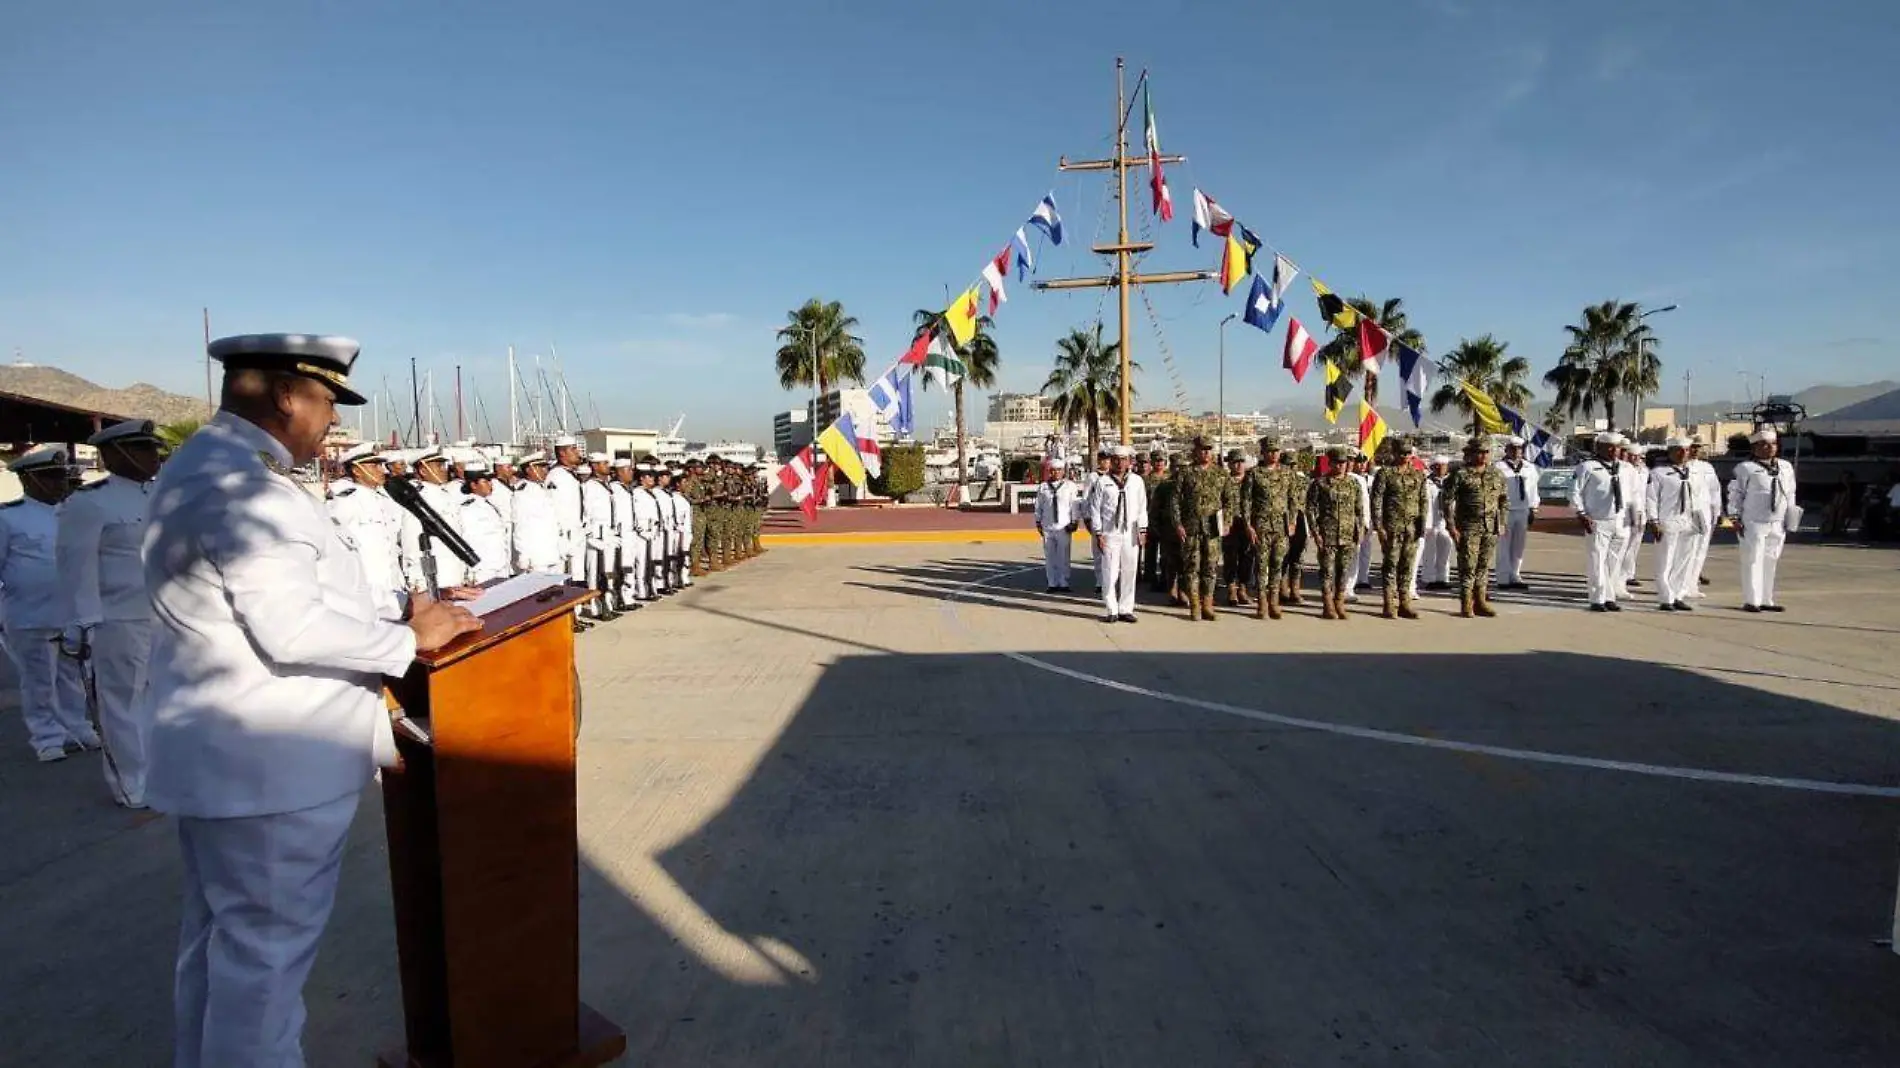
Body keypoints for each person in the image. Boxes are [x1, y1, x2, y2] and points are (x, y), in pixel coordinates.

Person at [145, 333, 481, 1067]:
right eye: (328, 402)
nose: (333, 420)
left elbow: (292, 598)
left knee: (221, 953)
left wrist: (401, 614)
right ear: (288, 395)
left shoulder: (206, 466)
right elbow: (290, 624)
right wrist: (407, 645)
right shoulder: (243, 487)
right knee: (264, 968)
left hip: (232, 760)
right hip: (274, 764)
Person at [57, 420, 166, 805]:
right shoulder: (89, 503)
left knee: (155, 701)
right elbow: (76, 566)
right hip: (116, 618)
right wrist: (82, 622)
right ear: (115, 454)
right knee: (121, 703)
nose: (154, 456)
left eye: (153, 448)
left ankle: (155, 772)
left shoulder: (157, 495)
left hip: (159, 615)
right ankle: (130, 784)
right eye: (143, 449)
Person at [3, 445, 100, 762]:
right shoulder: (9, 518)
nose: (60, 483)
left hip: (72, 613)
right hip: (31, 613)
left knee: (73, 678)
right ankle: (47, 737)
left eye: (62, 477)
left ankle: (78, 727)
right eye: (52, 477)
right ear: (30, 480)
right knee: (39, 680)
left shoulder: (74, 513)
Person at [326, 443, 404, 616]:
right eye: (374, 465)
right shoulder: (345, 501)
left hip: (394, 588)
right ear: (357, 470)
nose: (382, 470)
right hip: (367, 594)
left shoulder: (384, 499)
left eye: (381, 465)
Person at [1727, 427, 1798, 612]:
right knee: (1753, 560)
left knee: (1771, 560)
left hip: (1777, 522)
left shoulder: (1785, 466)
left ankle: (1767, 599)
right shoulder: (1745, 468)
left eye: (1773, 444)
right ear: (1754, 448)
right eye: (1764, 445)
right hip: (1753, 522)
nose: (1769, 448)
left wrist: (1791, 515)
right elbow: (1735, 494)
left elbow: (1790, 493)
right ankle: (1752, 600)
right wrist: (1734, 517)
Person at [1169, 436, 1236, 622]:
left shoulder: (1221, 474)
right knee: (1192, 567)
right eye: (1202, 449)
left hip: (1213, 528)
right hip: (1191, 527)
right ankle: (1195, 605)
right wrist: (1178, 524)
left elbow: (1229, 501)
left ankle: (1208, 603)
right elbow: (1174, 500)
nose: (1205, 453)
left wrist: (1227, 522)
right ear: (1195, 451)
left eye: (1208, 449)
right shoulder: (1186, 473)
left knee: (1210, 567)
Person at [1441, 438, 1509, 618]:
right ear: (1471, 454)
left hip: (1490, 527)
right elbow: (1447, 502)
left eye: (1486, 452)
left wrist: (1502, 522)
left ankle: (1480, 601)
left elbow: (1503, 500)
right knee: (1467, 566)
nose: (1483, 456)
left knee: (1483, 566)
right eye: (1480, 452)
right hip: (1468, 527)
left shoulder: (1496, 474)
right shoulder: (1460, 474)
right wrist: (1451, 526)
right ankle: (1466, 603)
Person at [1241, 437, 1302, 621]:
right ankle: (1262, 603)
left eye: (1276, 451)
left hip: (1281, 527)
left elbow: (1293, 499)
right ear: (1263, 452)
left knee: (1277, 564)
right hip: (1261, 527)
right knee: (1261, 565)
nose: (1273, 454)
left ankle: (1274, 601)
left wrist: (1292, 522)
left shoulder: (1287, 473)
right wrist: (1248, 525)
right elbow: (1245, 502)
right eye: (1269, 451)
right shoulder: (1254, 474)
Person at [1086, 445, 1147, 623]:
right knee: (1109, 572)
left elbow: (1142, 508)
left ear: (1129, 461)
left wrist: (1143, 529)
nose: (1120, 463)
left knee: (1130, 570)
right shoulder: (1102, 481)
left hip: (1131, 531)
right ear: (1111, 461)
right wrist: (1098, 532)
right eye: (1116, 459)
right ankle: (1111, 609)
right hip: (1110, 532)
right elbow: (1095, 509)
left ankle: (1126, 608)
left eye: (1123, 459)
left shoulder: (1136, 481)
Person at [1571, 432, 1631, 612]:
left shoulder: (1625, 468)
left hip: (1619, 519)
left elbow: (1633, 493)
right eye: (1610, 447)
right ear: (1600, 448)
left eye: (1618, 447)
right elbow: (1574, 492)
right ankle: (1597, 599)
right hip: (1597, 520)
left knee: (1614, 562)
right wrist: (1581, 513)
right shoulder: (1587, 467)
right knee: (1597, 561)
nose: (1614, 451)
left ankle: (1609, 596)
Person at [1645, 438, 1705, 611]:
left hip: (1689, 521)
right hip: (1668, 520)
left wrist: (1700, 520)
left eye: (1686, 450)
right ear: (1670, 452)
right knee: (1665, 561)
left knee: (1683, 561)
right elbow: (1651, 498)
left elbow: (1699, 497)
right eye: (1679, 450)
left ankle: (1678, 594)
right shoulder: (1659, 473)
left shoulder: (1693, 472)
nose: (1683, 453)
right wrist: (1654, 521)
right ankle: (1666, 598)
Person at [1370, 441, 1429, 620]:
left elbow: (1423, 501)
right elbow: (1377, 501)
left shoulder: (1418, 474)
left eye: (1407, 453)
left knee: (1407, 566)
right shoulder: (1385, 474)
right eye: (1401, 453)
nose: (1404, 456)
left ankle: (1404, 603)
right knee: (1390, 565)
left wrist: (1422, 525)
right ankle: (1389, 603)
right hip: (1392, 527)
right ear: (1394, 453)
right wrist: (1379, 527)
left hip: (1411, 527)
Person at [398, 449, 469, 595]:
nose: (444, 470)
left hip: (455, 573)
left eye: (443, 466)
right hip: (435, 580)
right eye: (439, 466)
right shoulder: (418, 498)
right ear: (423, 470)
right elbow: (413, 541)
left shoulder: (446, 494)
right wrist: (418, 581)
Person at [1306, 446, 1363, 621]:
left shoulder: (1353, 484)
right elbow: (1311, 510)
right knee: (1327, 571)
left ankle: (1339, 600)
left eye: (1343, 463)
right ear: (1330, 463)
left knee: (1343, 570)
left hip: (1347, 534)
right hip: (1327, 534)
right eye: (1336, 463)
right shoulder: (1320, 484)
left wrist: (1359, 530)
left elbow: (1358, 510)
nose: (1340, 466)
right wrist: (1316, 533)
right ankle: (1328, 604)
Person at [456, 460, 514, 584]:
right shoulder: (468, 509)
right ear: (473, 485)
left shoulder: (488, 504)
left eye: (490, 480)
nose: (490, 484)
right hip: (484, 570)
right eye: (485, 481)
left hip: (500, 565)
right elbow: (468, 540)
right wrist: (471, 571)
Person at [1494, 436, 1540, 590]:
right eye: (1513, 448)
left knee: (1519, 545)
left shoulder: (1529, 467)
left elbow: (1533, 489)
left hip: (1522, 509)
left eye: (1519, 448)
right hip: (1505, 510)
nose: (1516, 451)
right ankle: (1503, 577)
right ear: (1506, 449)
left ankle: (1515, 574)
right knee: (1503, 545)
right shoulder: (1498, 467)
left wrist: (1533, 508)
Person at [509, 453, 565, 576]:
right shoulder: (523, 493)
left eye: (546, 467)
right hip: (536, 557)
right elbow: (520, 526)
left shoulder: (541, 489)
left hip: (552, 553)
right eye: (541, 467)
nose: (546, 470)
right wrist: (523, 555)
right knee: (539, 593)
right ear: (529, 469)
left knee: (558, 592)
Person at [580, 452, 619, 620]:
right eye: (604, 463)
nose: (607, 466)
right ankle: (597, 608)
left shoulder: (606, 485)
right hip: (596, 535)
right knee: (595, 573)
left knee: (608, 572)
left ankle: (608, 604)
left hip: (608, 534)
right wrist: (591, 537)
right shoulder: (589, 486)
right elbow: (584, 513)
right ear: (595, 466)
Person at [1033, 458, 1082, 592]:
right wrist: (1038, 522)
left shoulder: (1070, 486)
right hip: (1048, 525)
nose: (1056, 473)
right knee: (1050, 556)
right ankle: (1052, 583)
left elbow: (1075, 505)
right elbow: (1038, 506)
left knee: (1064, 555)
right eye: (1053, 470)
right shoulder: (1043, 487)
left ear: (1063, 472)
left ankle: (1064, 581)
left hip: (1064, 526)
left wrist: (1074, 521)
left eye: (1059, 470)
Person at [1220, 449, 1256, 607]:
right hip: (1230, 524)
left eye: (1241, 462)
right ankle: (1231, 589)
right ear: (1229, 464)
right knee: (1230, 557)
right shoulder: (1223, 481)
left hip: (1248, 524)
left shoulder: (1251, 480)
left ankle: (1243, 587)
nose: (1238, 465)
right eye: (1235, 462)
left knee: (1247, 557)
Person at [1686, 439, 1721, 595]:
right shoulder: (1681, 466)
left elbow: (1714, 490)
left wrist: (1717, 512)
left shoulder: (1707, 467)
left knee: (1700, 550)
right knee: (1686, 550)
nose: (1695, 450)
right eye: (1692, 447)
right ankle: (1680, 584)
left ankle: (1692, 585)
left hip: (1705, 512)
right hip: (1687, 512)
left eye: (1698, 447)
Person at [1418, 455, 1454, 592]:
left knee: (1446, 549)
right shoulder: (1426, 482)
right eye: (1437, 466)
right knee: (1429, 551)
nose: (1440, 469)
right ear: (1432, 467)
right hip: (1431, 521)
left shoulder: (1451, 482)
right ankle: (1428, 578)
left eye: (1443, 466)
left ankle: (1443, 578)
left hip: (1446, 520)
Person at [1618, 442, 1649, 594]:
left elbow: (1645, 494)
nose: (1634, 458)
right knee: (1623, 544)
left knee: (1634, 545)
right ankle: (1620, 575)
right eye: (1631, 455)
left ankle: (1629, 573)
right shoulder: (1622, 469)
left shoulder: (1644, 471)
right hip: (1625, 512)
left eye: (1637, 456)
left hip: (1640, 511)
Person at [1349, 452, 1376, 597]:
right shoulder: (1352, 479)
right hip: (1356, 519)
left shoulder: (1372, 479)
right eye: (1358, 462)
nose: (1361, 465)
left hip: (1369, 518)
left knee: (1367, 550)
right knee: (1355, 550)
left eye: (1363, 462)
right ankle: (1351, 582)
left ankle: (1363, 578)